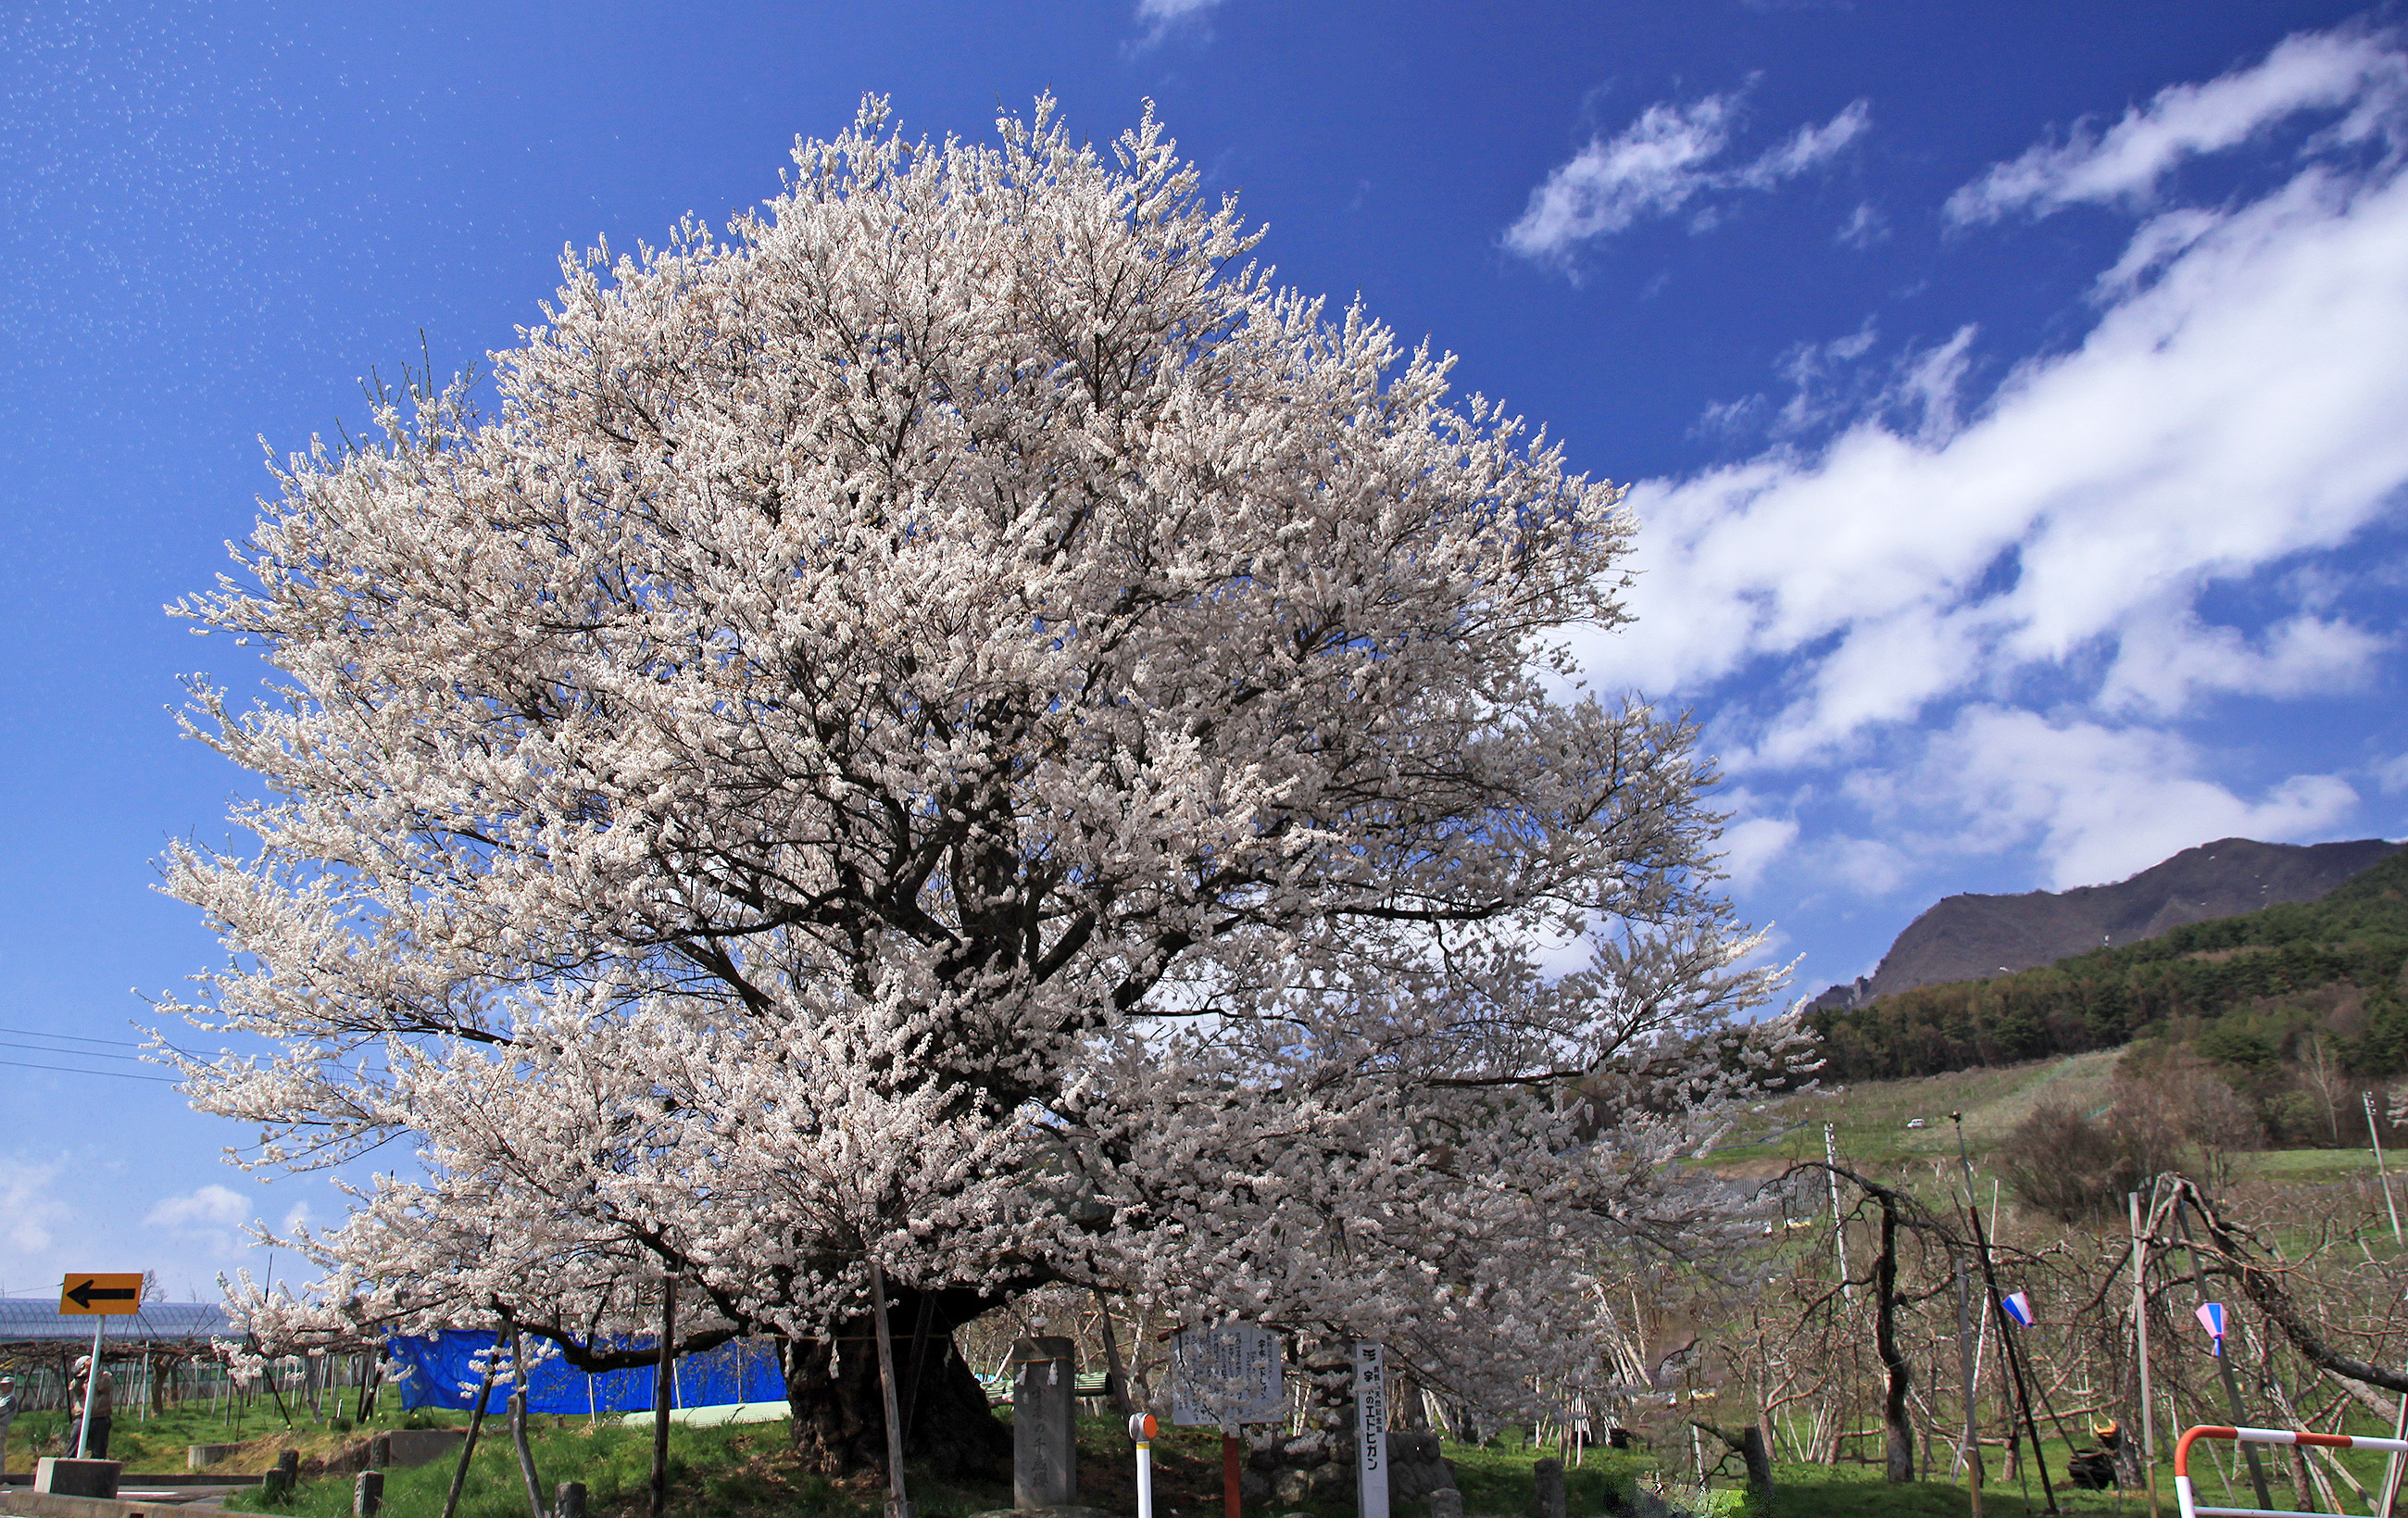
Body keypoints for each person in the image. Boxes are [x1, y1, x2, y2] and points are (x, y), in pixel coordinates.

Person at [66, 1356, 113, 1460]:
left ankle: (96, 1468)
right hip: (82, 1418)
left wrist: (94, 1372)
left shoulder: (105, 1376)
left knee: (98, 1451)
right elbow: (74, 1388)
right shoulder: (80, 1380)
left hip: (100, 1418)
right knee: (73, 1447)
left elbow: (102, 1386)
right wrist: (82, 1376)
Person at [0, 1374, 18, 1473]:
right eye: (1, 1384)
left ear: (11, 1386)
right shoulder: (2, 1398)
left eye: (4, 1385)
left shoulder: (11, 1398)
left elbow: (1, 1410)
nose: (1, 1387)